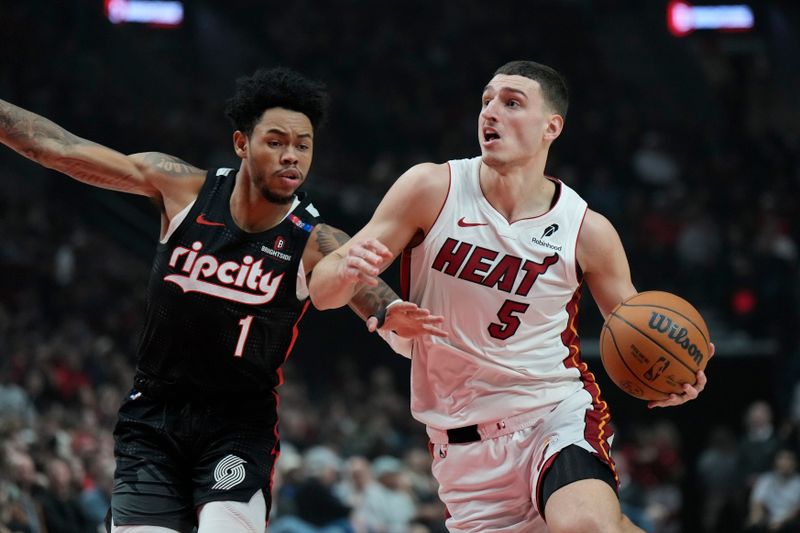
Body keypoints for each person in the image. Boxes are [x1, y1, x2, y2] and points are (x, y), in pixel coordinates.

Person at [0, 67, 445, 533]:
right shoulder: (182, 189)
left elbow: (362, 288)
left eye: (303, 145)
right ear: (240, 143)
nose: (291, 156)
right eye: (275, 142)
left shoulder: (316, 239)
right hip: (152, 420)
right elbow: (57, 149)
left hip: (237, 428)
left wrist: (391, 313)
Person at [309, 60, 712, 532]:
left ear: (551, 127)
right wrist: (353, 280)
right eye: (486, 101)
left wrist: (675, 372)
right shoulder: (431, 188)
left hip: (551, 414)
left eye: (511, 102)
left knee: (587, 526)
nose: (490, 112)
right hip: (461, 450)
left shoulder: (587, 230)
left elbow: (635, 325)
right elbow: (322, 291)